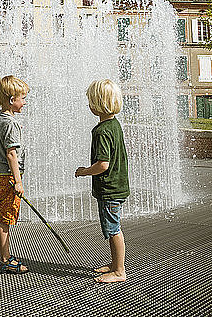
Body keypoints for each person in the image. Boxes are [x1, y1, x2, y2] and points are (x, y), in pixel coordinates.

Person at [75, 79, 130, 283]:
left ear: (98, 104)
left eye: (91, 101)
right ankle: (115, 264)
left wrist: (84, 172)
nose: (89, 104)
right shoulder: (114, 125)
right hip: (117, 185)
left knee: (113, 229)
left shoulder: (102, 131)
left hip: (110, 188)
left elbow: (103, 164)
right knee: (112, 226)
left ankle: (119, 271)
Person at [0, 75, 30, 274]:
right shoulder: (10, 123)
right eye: (23, 98)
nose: (25, 102)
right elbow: (11, 154)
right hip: (8, 177)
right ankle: (5, 259)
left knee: (1, 216)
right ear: (12, 100)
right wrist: (18, 181)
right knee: (6, 219)